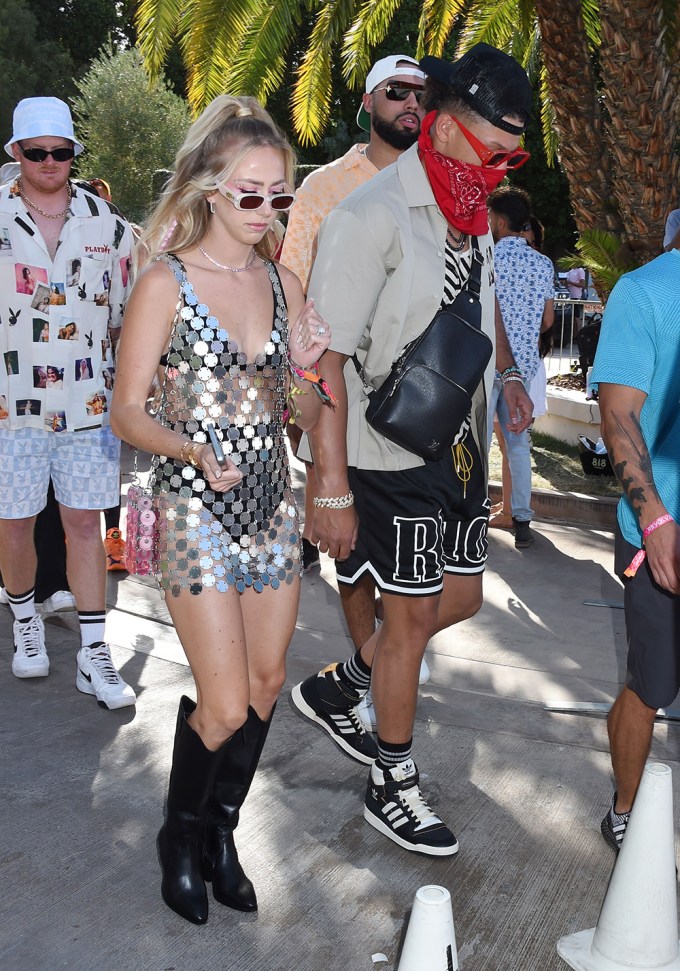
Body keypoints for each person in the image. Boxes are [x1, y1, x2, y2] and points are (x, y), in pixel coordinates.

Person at [291, 43, 533, 857]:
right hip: (387, 448)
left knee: (457, 599)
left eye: (515, 156)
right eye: (498, 149)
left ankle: (343, 685)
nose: (504, 167)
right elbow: (321, 359)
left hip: (459, 446)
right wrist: (328, 484)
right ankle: (390, 781)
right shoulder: (372, 214)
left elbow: (473, 317)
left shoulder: (471, 209)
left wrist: (504, 387)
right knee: (411, 615)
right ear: (449, 122)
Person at [111, 94, 332, 925]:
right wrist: (192, 450)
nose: (266, 210)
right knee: (227, 699)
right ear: (208, 188)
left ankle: (220, 832)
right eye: (250, 193)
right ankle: (178, 833)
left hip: (272, 501)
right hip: (192, 507)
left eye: (280, 195)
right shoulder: (163, 284)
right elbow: (126, 410)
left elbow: (304, 415)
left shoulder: (284, 280)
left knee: (270, 679)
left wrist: (308, 371)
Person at [280, 53, 430, 715]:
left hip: (418, 413)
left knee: (414, 562)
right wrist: (302, 393)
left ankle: (373, 671)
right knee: (348, 549)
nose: (411, 104)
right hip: (341, 403)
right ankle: (368, 671)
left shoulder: (442, 184)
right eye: (396, 91)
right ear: (368, 102)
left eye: (422, 94)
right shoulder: (323, 187)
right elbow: (292, 285)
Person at [0, 96, 136, 708]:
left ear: (74, 154)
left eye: (61, 151)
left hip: (89, 408)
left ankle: (93, 652)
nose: (50, 161)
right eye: (37, 152)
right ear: (16, 154)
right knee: (15, 524)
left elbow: (130, 318)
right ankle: (25, 625)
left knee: (85, 524)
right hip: (11, 407)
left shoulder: (107, 223)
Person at [591, 245, 680, 853]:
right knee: (653, 684)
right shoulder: (644, 292)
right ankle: (624, 809)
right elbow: (618, 415)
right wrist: (654, 520)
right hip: (661, 528)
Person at [486, 187, 554, 548]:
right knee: (517, 444)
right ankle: (522, 520)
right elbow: (546, 322)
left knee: (478, 442)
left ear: (498, 221)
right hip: (524, 369)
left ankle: (469, 511)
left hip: (486, 363)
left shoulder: (486, 256)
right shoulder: (542, 263)